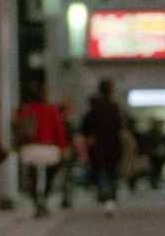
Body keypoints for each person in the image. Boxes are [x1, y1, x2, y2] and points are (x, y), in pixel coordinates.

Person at [13, 73, 72, 218]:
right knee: (51, 174)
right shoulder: (52, 109)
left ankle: (36, 201)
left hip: (30, 149)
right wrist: (64, 147)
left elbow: (19, 129)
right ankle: (44, 198)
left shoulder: (26, 109)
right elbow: (60, 130)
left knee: (31, 176)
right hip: (50, 150)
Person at [78, 78, 126, 216]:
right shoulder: (114, 108)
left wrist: (90, 137)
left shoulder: (95, 108)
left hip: (98, 147)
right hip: (113, 146)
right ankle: (111, 199)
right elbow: (120, 127)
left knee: (101, 174)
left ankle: (105, 198)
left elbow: (85, 126)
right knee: (111, 174)